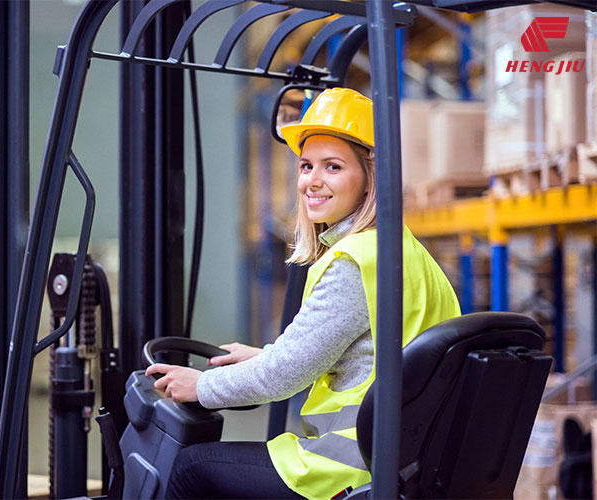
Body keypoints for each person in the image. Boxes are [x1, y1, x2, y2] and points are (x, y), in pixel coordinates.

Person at [146, 87, 461, 500]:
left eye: (332, 167)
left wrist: (201, 386)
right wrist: (268, 355)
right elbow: (360, 355)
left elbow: (283, 377)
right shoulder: (401, 249)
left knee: (191, 467)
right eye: (306, 166)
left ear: (371, 176)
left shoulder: (353, 262)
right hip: (403, 460)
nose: (312, 181)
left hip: (352, 469)